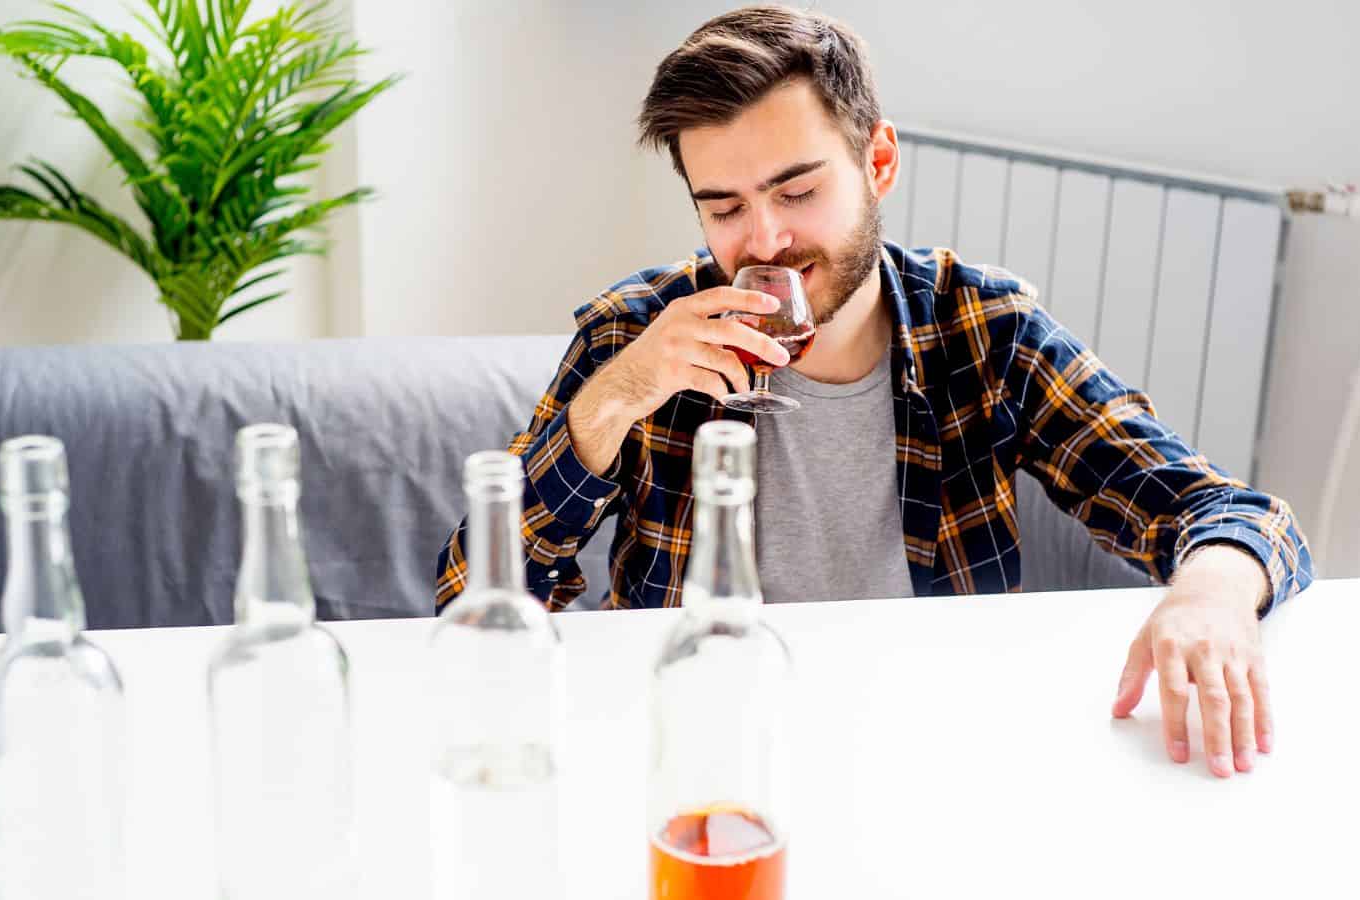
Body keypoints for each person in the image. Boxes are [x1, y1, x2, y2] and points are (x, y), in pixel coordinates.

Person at [436, 5, 1313, 779]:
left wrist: (1210, 594)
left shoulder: (983, 328)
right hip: (693, 744)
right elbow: (470, 593)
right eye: (725, 207)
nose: (766, 239)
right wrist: (614, 400)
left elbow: (1228, 512)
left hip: (927, 742)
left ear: (878, 162)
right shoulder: (636, 336)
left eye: (798, 189)